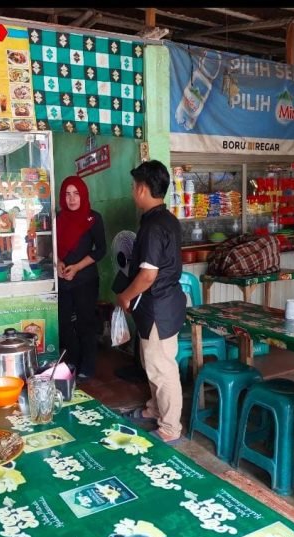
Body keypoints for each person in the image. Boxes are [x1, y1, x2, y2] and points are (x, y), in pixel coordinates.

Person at [115, 160, 186, 445]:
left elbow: (147, 275)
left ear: (143, 189)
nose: (133, 192)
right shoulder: (164, 219)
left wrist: (125, 296)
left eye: (134, 187)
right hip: (162, 304)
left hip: (159, 305)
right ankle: (154, 409)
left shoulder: (154, 226)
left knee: (162, 368)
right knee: (152, 362)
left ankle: (170, 428)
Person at [55, 175, 106, 380]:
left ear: (83, 195)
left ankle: (87, 365)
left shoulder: (94, 218)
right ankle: (72, 360)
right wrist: (58, 262)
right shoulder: (58, 218)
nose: (72, 199)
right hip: (62, 278)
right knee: (64, 322)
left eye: (76, 194)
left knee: (85, 322)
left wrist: (76, 267)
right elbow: (52, 246)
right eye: (67, 194)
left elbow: (101, 250)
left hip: (85, 279)